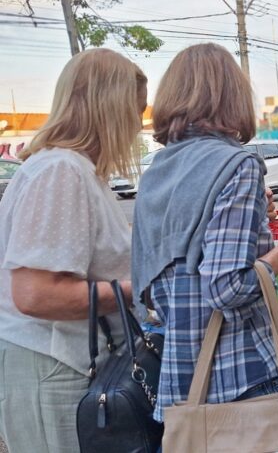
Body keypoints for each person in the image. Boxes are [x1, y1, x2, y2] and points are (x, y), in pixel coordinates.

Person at [131, 43, 278, 424]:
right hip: (240, 379)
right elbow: (226, 287)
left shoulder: (158, 171)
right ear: (230, 96)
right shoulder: (236, 164)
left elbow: (156, 288)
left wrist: (252, 218)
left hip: (183, 380)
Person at [0, 49, 146, 452]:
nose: (137, 126)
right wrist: (137, 289)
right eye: (134, 112)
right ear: (110, 109)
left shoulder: (73, 169)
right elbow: (36, 294)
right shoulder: (60, 171)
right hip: (52, 367)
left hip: (63, 365)